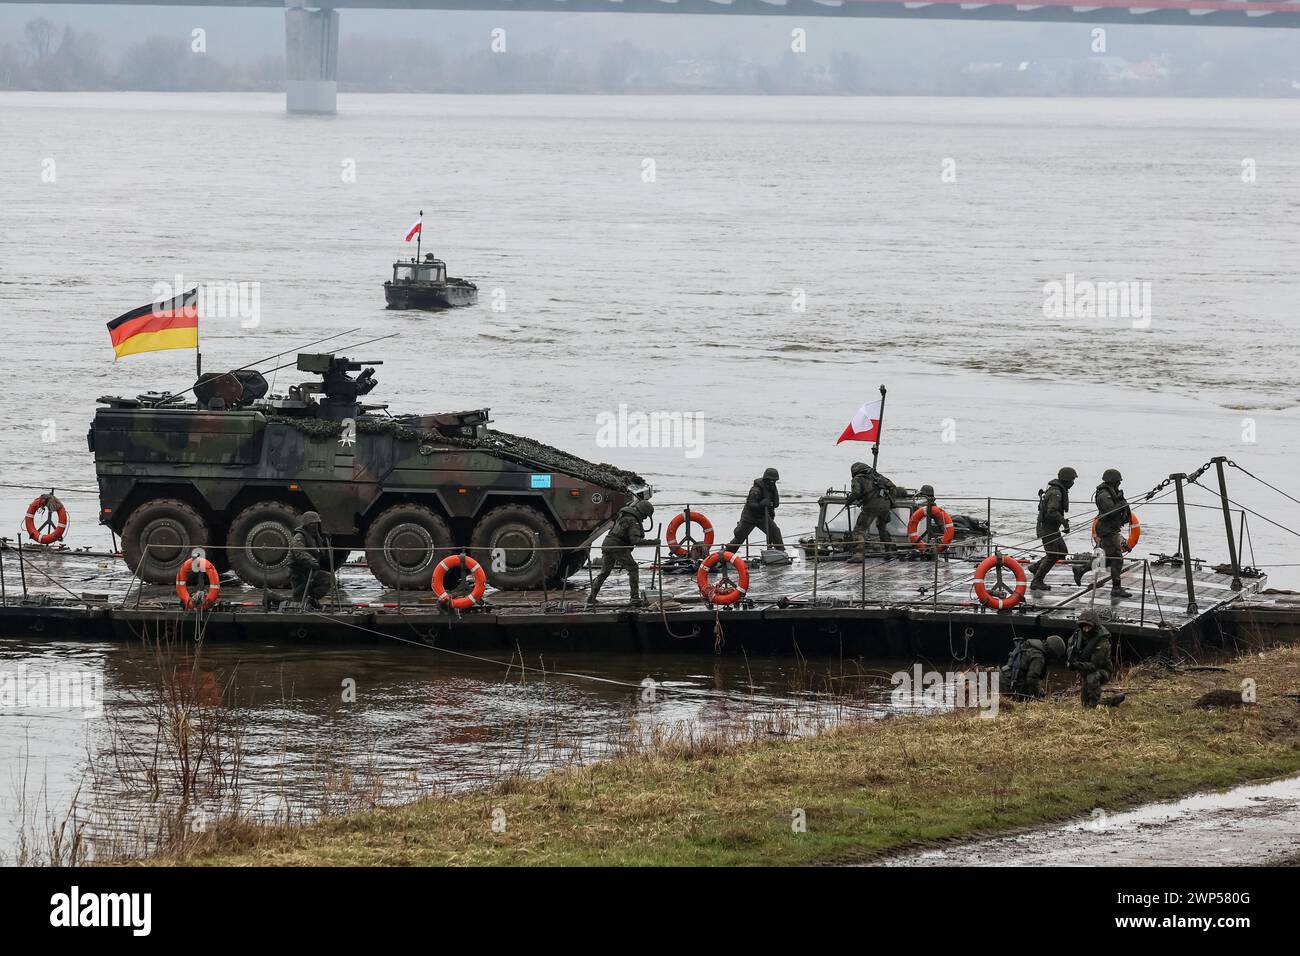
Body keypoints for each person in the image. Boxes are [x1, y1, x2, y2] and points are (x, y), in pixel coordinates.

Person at [588, 499, 654, 607]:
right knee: (633, 568)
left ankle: (591, 597)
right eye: (645, 516)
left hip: (607, 544)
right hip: (618, 547)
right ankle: (635, 598)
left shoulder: (623, 516)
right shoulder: (633, 520)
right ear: (642, 513)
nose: (645, 518)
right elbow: (635, 541)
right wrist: (654, 542)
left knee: (604, 572)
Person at [1029, 467, 1077, 592]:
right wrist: (1064, 523)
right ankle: (1037, 581)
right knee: (1052, 556)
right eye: (1072, 480)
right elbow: (1052, 511)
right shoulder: (1056, 492)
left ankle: (1036, 567)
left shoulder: (1058, 490)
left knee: (1062, 553)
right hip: (1047, 528)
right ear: (1066, 480)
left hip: (1053, 528)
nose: (1073, 483)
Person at [1092, 468, 1134, 599]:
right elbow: (1109, 512)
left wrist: (1122, 501)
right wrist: (1121, 504)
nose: (1119, 484)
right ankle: (1116, 588)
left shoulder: (1112, 492)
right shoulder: (1104, 495)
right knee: (1117, 559)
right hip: (1106, 530)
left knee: (1110, 559)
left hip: (1111, 529)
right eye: (1117, 482)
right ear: (1112, 481)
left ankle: (1081, 569)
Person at [846, 461, 897, 561]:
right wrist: (891, 502)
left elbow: (856, 493)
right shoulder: (878, 476)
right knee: (882, 527)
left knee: (859, 530)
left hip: (871, 507)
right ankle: (890, 552)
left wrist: (849, 501)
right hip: (885, 506)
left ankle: (858, 555)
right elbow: (893, 487)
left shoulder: (858, 479)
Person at [725, 468, 784, 552]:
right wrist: (761, 505)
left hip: (763, 516)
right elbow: (750, 503)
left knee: (775, 532)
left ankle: (781, 553)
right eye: (771, 480)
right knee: (740, 536)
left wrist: (770, 504)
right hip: (749, 517)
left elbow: (776, 503)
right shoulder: (756, 490)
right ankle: (726, 555)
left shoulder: (772, 488)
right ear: (766, 479)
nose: (773, 483)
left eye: (774, 481)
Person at [288, 511, 335, 610]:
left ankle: (311, 599)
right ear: (306, 525)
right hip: (299, 572)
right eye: (312, 524)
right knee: (297, 600)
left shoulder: (316, 537)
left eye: (317, 524)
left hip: (311, 571)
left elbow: (323, 555)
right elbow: (298, 551)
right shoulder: (299, 536)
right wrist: (311, 561)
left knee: (329, 579)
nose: (315, 526)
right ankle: (273, 597)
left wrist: (327, 544)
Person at [1067, 608, 1113, 707]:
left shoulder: (1102, 642)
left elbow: (1094, 666)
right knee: (1084, 701)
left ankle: (1094, 705)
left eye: (1089, 627)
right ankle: (1105, 703)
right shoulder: (1077, 636)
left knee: (1092, 678)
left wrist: (1076, 665)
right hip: (1084, 669)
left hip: (1102, 671)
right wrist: (1071, 659)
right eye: (1084, 626)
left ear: (1095, 627)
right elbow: (1070, 648)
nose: (1086, 629)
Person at [1000, 634, 1068, 699]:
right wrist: (1037, 696)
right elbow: (1032, 679)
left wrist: (1039, 691)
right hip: (1010, 685)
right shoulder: (1038, 657)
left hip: (1004, 678)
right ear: (1051, 651)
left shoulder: (1032, 646)